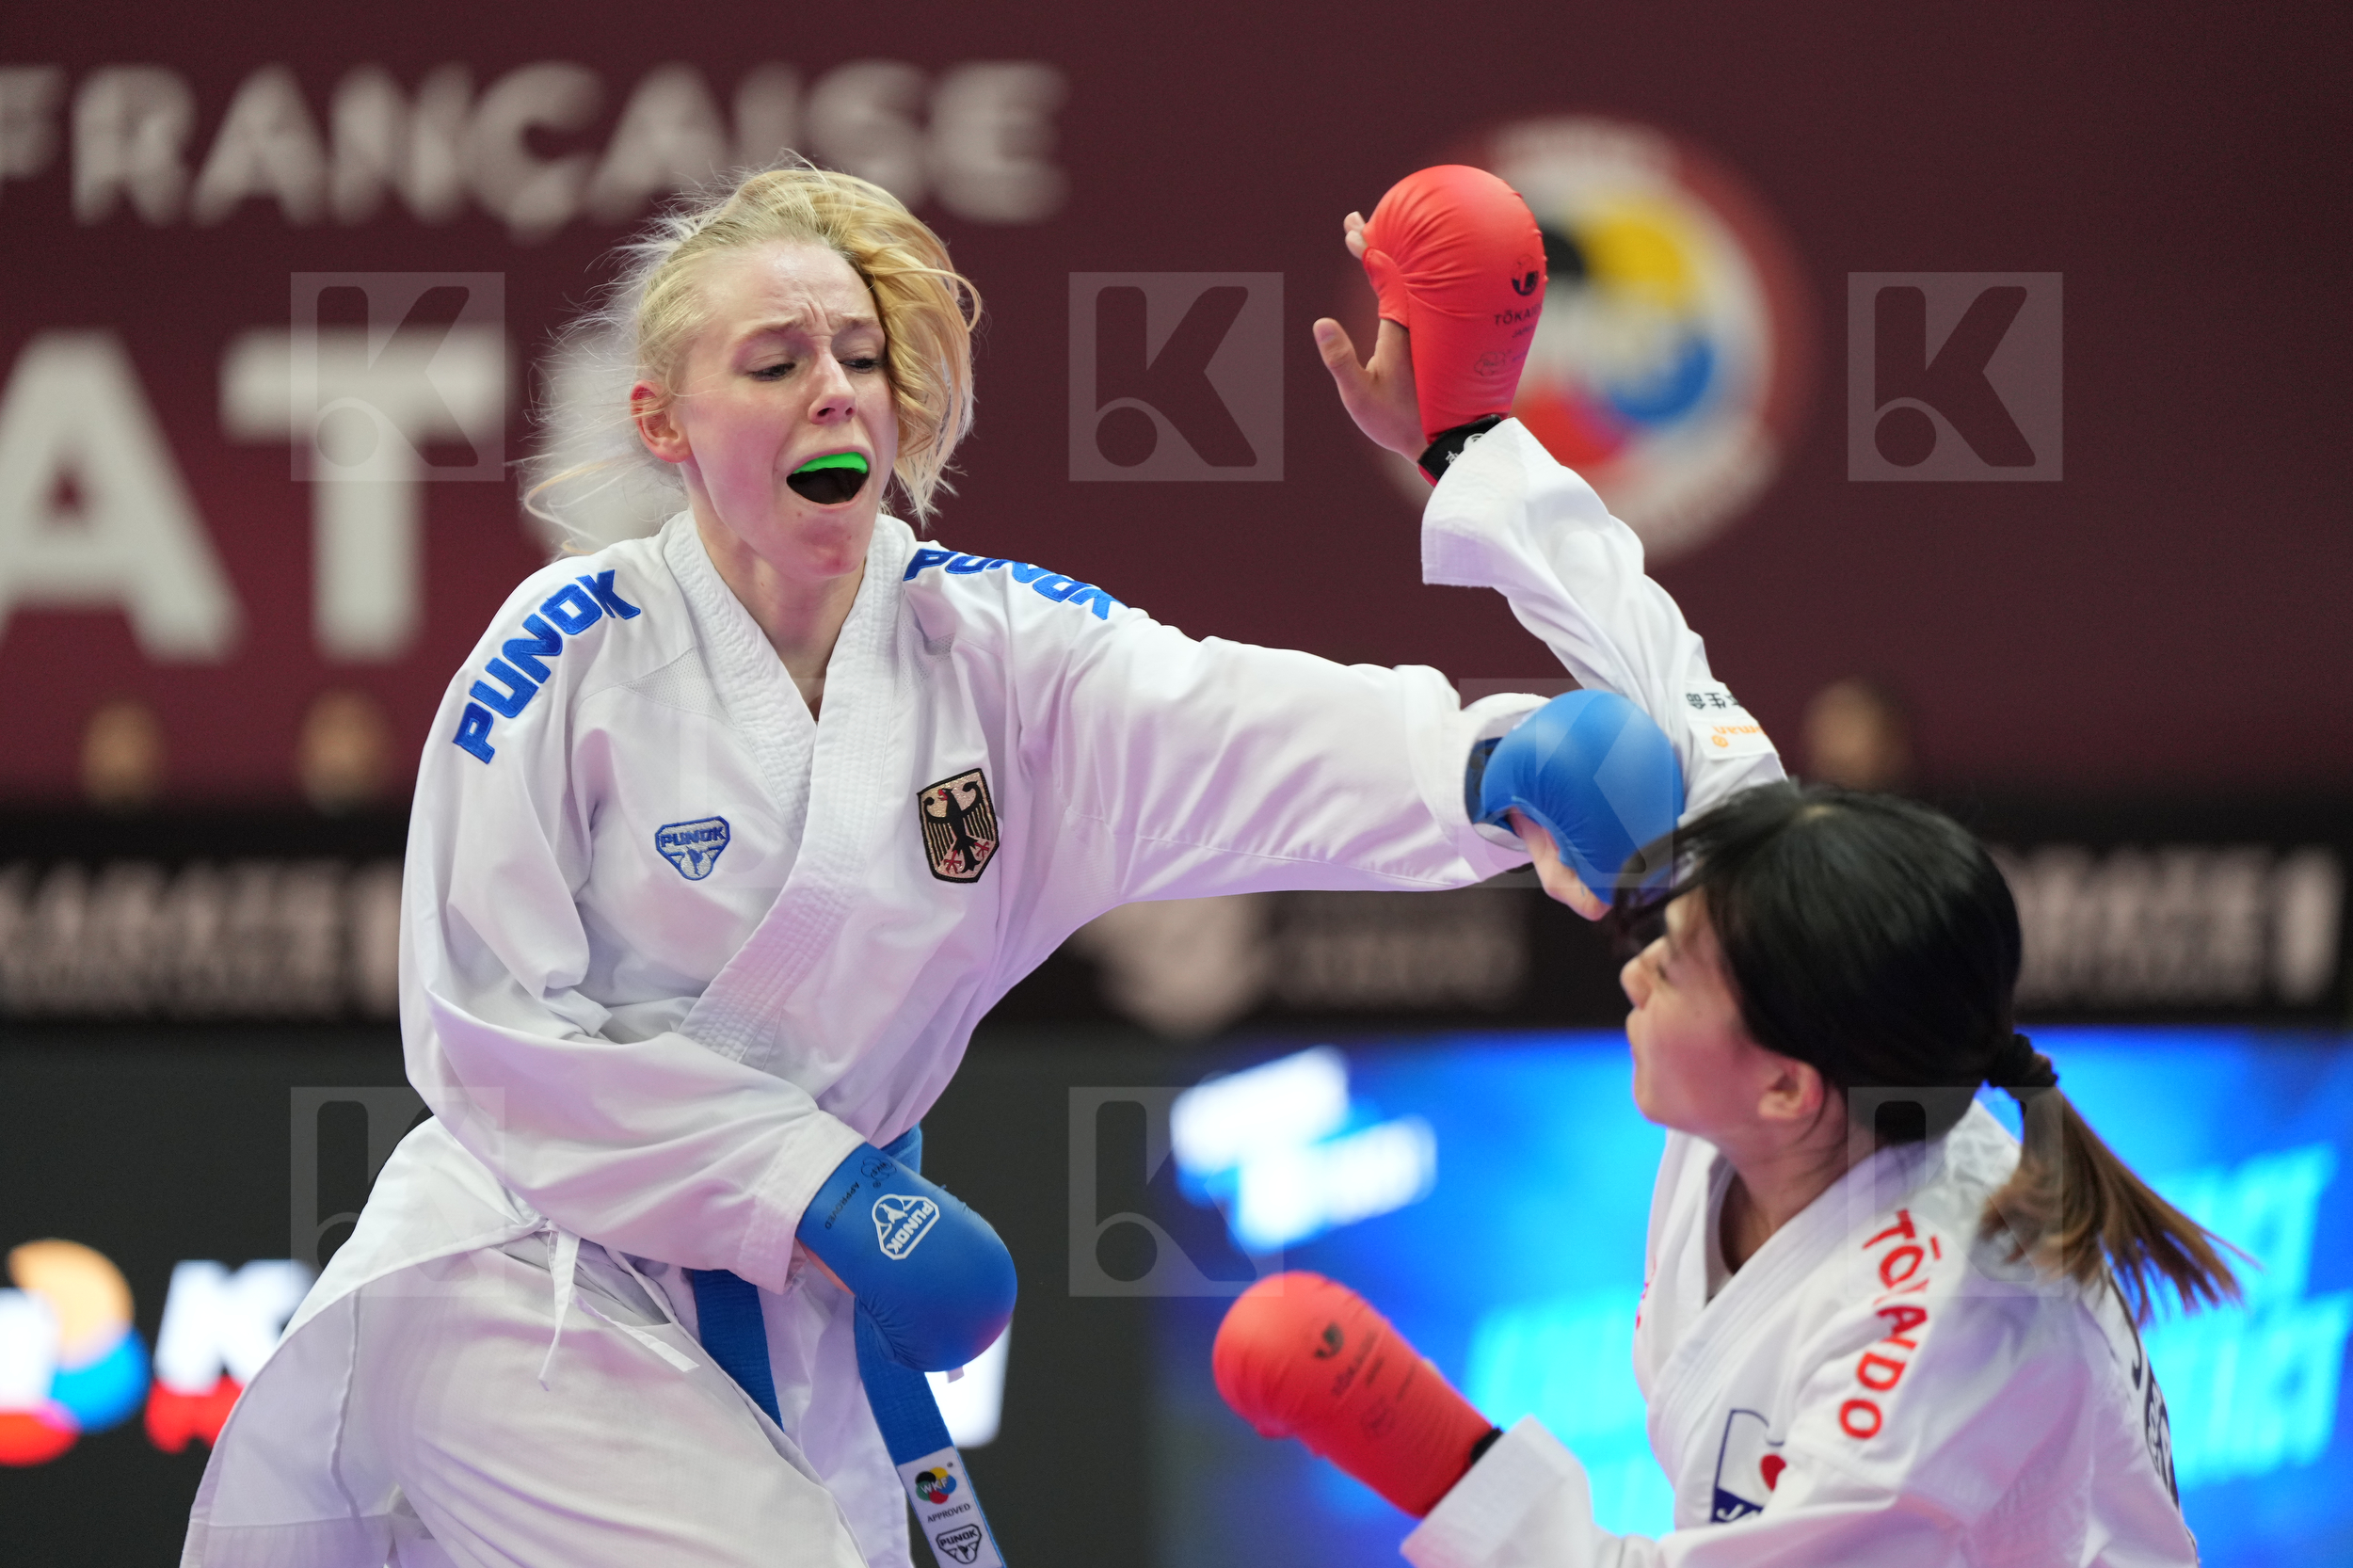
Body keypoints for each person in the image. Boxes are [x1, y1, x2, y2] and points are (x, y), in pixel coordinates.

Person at [179, 162, 1724, 1568]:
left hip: (791, 1326)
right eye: (773, 365)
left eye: (860, 361)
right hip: (520, 1284)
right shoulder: (564, 653)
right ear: (665, 423)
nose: (833, 396)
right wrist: (821, 1185)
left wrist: (1479, 764)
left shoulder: (986, 653)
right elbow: (485, 1030)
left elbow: (1212, 717)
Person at [1217, 781, 2237, 1566]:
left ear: (1786, 1088)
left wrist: (1426, 1449)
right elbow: (1677, 683)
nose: (1631, 971)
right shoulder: (1809, 1067)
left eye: (1671, 970)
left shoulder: (1947, 1316)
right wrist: (1504, 505)